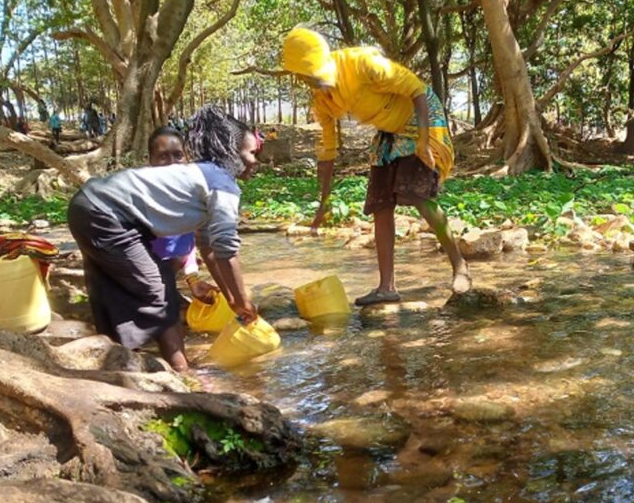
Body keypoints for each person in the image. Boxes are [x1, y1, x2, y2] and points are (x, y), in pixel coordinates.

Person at [281, 27, 471, 305]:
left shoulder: (364, 64)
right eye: (306, 77)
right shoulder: (321, 101)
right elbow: (328, 150)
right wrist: (323, 201)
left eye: (315, 74)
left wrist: (422, 142)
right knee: (380, 203)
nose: (314, 81)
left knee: (419, 195)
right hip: (388, 128)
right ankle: (387, 288)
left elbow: (417, 90)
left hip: (421, 116)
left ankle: (460, 266)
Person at [67, 106, 260, 371]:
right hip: (105, 213)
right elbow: (226, 248)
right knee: (161, 291)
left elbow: (209, 248)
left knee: (108, 286)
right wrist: (242, 301)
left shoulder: (202, 176)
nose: (255, 160)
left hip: (89, 205)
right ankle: (182, 371)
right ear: (231, 152)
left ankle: (116, 361)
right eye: (251, 153)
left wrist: (232, 299)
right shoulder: (222, 183)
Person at [146, 125, 221, 306]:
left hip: (162, 276)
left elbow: (189, 247)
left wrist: (193, 280)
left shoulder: (192, 194)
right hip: (137, 277)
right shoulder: (144, 197)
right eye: (163, 156)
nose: (172, 162)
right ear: (150, 160)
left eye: (178, 155)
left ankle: (167, 291)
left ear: (187, 158)